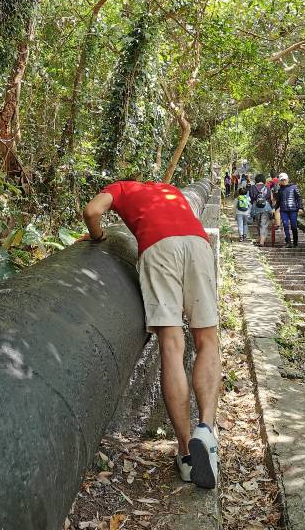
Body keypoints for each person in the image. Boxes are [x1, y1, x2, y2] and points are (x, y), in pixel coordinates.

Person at [80, 180, 221, 489]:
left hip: (159, 247)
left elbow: (92, 211)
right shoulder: (170, 191)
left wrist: (99, 236)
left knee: (172, 345)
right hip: (198, 244)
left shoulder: (121, 188)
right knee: (207, 341)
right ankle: (206, 431)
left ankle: (185, 454)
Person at [275, 172, 303, 248]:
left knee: (294, 226)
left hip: (293, 209)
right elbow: (278, 201)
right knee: (285, 225)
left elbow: (299, 197)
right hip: (284, 210)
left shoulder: (294, 187)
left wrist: (300, 207)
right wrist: (274, 209)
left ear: (287, 179)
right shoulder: (280, 190)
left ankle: (295, 242)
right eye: (282, 180)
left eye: (284, 179)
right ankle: (288, 242)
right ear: (280, 181)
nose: (283, 181)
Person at [249, 174, 273, 246]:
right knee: (264, 225)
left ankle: (260, 240)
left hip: (256, 208)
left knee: (258, 224)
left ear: (256, 180)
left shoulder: (253, 188)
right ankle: (261, 242)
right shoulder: (267, 188)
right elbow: (270, 198)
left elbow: (251, 198)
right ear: (264, 180)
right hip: (265, 208)